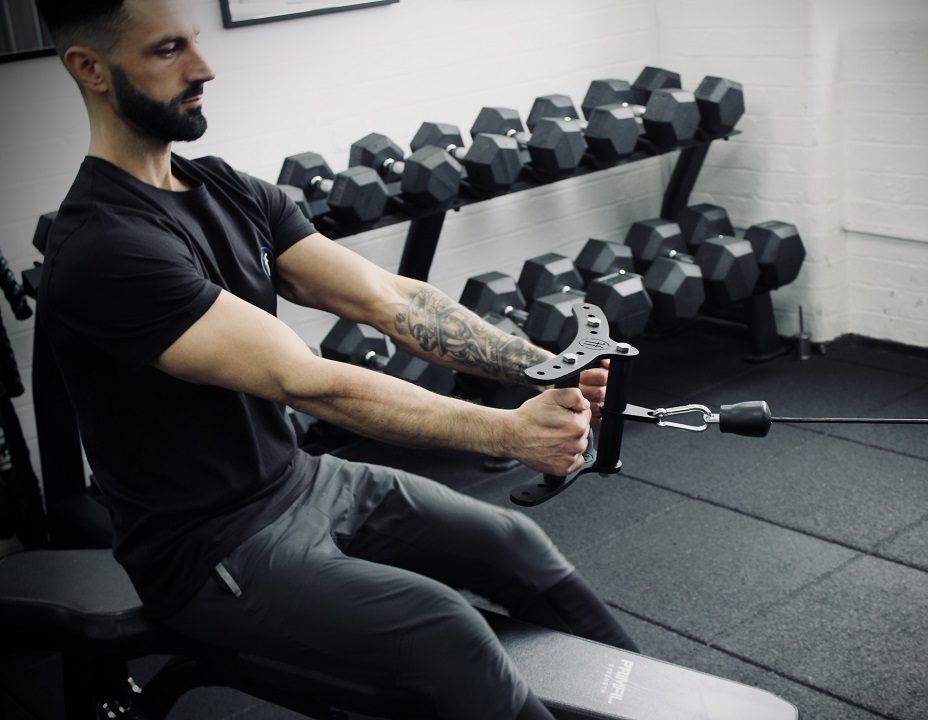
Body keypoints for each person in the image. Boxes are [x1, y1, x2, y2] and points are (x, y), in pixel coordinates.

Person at [34, 2, 638, 718]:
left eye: (195, 42)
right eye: (168, 51)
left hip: (304, 481)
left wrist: (546, 367)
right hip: (208, 549)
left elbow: (387, 297)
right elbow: (308, 381)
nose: (204, 67)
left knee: (516, 545)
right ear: (89, 68)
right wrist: (512, 433)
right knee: (443, 630)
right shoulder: (105, 247)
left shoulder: (226, 189)